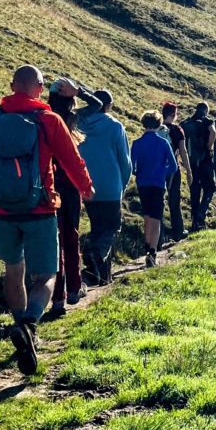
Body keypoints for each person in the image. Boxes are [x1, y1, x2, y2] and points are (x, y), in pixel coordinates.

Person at [0, 65, 93, 374]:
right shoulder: (48, 119)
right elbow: (70, 159)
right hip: (41, 207)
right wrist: (86, 186)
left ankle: (18, 322)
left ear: (11, 86)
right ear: (39, 87)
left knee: (14, 269)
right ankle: (30, 324)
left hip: (3, 210)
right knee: (47, 274)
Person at [76, 87, 132, 284]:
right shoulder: (115, 126)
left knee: (98, 227)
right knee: (112, 228)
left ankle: (102, 277)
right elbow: (125, 162)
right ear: (108, 106)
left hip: (87, 186)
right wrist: (122, 186)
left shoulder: (78, 124)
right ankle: (94, 253)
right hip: (111, 186)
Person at [46, 78, 86, 319]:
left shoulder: (41, 116)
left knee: (54, 240)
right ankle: (74, 288)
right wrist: (80, 91)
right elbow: (101, 104)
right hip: (70, 184)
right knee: (71, 235)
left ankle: (57, 297)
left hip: (47, 182)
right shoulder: (71, 119)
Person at [131, 110, 178, 267]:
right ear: (159, 124)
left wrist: (138, 172)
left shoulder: (137, 143)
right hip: (158, 183)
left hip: (143, 182)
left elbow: (132, 166)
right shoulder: (163, 143)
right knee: (157, 217)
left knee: (147, 216)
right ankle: (153, 250)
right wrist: (161, 172)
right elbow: (173, 166)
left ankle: (147, 246)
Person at [159, 101, 190, 244]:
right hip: (173, 169)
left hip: (156, 169)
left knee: (158, 201)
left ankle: (159, 234)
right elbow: (183, 151)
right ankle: (178, 230)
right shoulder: (177, 130)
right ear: (173, 115)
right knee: (174, 200)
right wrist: (188, 170)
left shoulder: (155, 127)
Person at [184, 101, 215, 231]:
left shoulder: (186, 123)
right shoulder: (208, 121)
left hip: (192, 162)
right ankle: (201, 214)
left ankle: (194, 223)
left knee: (194, 192)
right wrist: (209, 145)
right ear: (206, 110)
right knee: (210, 188)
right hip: (205, 160)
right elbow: (213, 133)